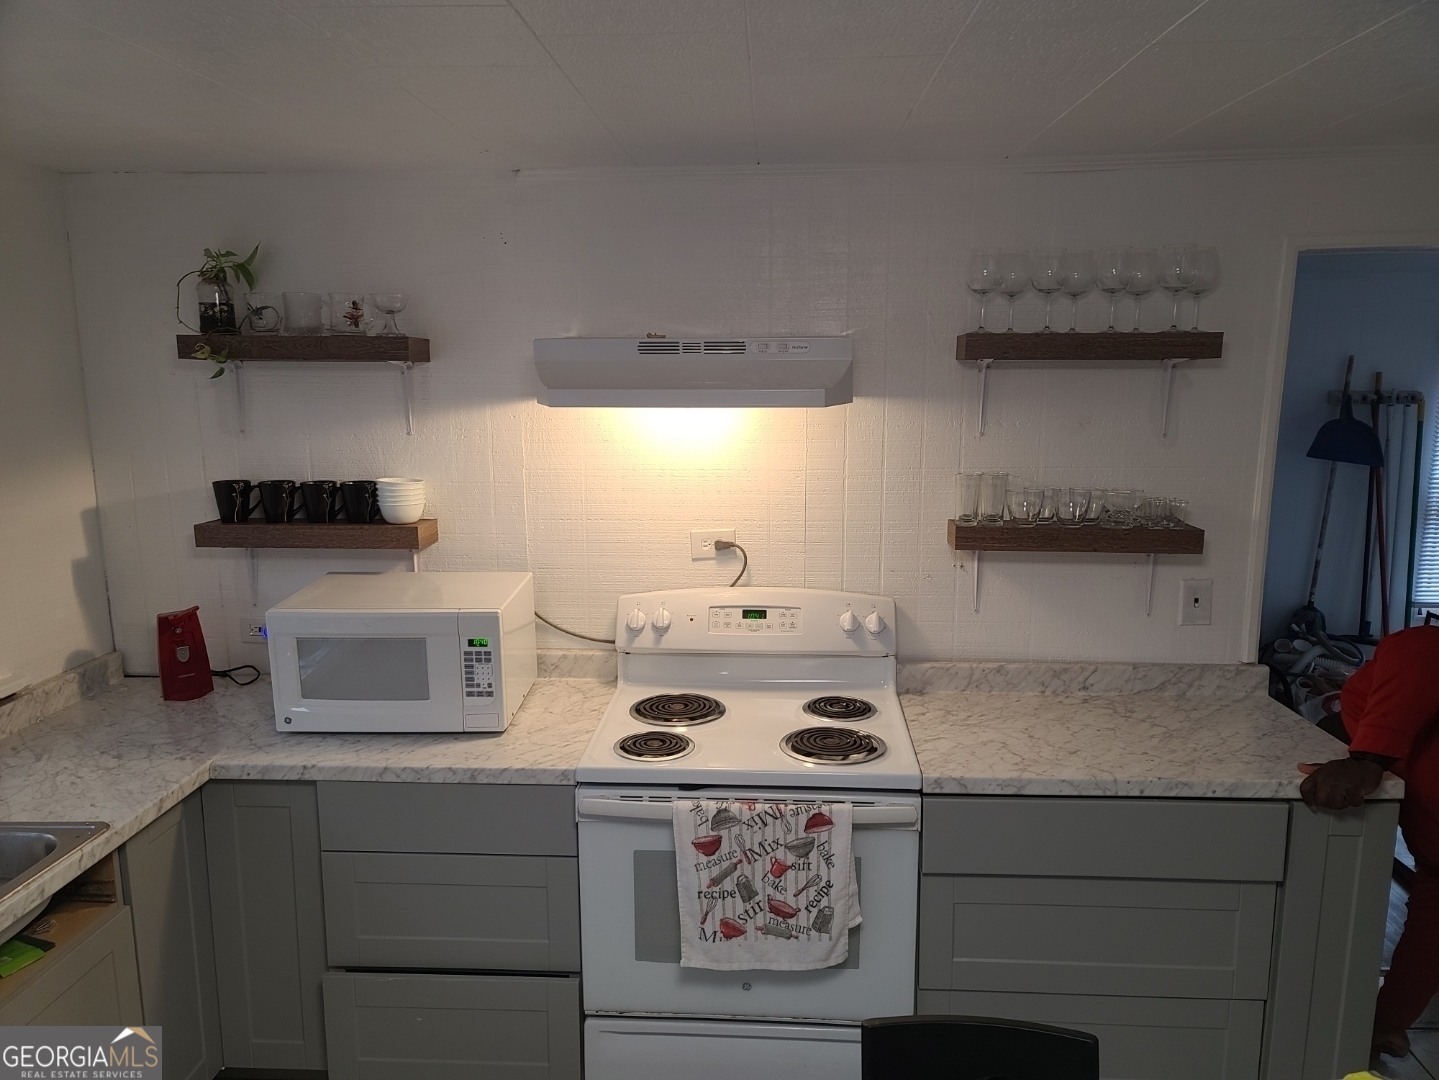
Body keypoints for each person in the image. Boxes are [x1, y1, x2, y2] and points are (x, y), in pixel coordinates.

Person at [1299, 622, 1439, 1059]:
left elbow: (1425, 648)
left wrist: (1367, 759)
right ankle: (1387, 1023)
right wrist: (1390, 1018)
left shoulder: (1407, 658)